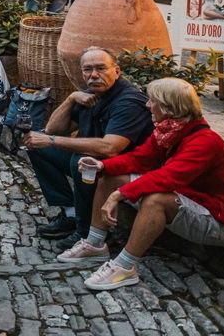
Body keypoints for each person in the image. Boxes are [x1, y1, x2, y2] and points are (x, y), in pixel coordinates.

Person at [58, 78, 224, 291]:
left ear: (169, 107)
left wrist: (118, 195)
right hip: (192, 200)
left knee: (156, 200)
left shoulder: (204, 142)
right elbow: (140, 158)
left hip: (219, 219)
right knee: (111, 175)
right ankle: (94, 243)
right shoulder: (170, 131)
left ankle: (125, 267)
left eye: (153, 100)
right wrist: (103, 166)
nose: (147, 105)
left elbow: (167, 177)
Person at [24, 47, 154, 252]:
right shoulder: (89, 95)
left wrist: (52, 140)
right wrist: (71, 98)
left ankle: (88, 231)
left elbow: (110, 148)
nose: (94, 75)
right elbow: (53, 130)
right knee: (37, 146)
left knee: (81, 163)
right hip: (100, 161)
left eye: (101, 68)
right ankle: (70, 212)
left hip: (128, 168)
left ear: (117, 71)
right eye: (87, 70)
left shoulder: (128, 102)